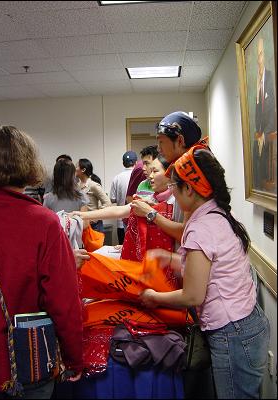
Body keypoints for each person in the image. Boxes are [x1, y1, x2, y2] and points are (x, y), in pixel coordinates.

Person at [139, 144, 270, 399]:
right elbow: (209, 268)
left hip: (234, 335)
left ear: (190, 188)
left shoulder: (201, 228)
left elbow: (192, 296)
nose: (172, 193)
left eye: (175, 187)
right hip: (246, 325)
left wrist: (153, 297)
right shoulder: (216, 213)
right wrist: (168, 258)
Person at [0, 126, 84, 399]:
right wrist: (74, 357)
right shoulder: (43, 222)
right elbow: (63, 302)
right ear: (29, 164)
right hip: (27, 362)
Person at [131, 111, 204, 244]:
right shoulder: (186, 168)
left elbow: (184, 232)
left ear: (180, 141)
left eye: (161, 142)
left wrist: (151, 213)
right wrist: (156, 207)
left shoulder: (193, 174)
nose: (158, 149)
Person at [253, 37, 277, 191]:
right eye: (257, 55)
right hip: (261, 133)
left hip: (270, 133)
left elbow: (273, 108)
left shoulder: (271, 78)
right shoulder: (257, 82)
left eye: (261, 54)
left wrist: (266, 133)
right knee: (257, 160)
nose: (258, 59)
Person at [75, 158, 111, 233]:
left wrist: (95, 217)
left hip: (94, 226)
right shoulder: (76, 186)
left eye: (76, 166)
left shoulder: (93, 185)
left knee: (96, 245)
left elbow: (107, 203)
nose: (75, 169)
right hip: (81, 225)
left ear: (83, 170)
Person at [110, 150, 137, 244]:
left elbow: (112, 199)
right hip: (135, 222)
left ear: (123, 163)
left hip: (121, 221)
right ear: (136, 162)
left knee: (122, 249)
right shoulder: (139, 175)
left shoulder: (117, 178)